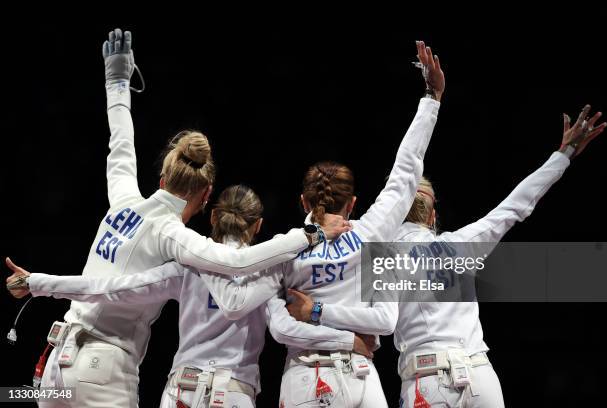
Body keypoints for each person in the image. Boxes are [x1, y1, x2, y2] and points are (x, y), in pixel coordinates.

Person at [5, 28, 349, 408]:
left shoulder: (123, 200)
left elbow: (119, 144)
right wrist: (310, 233)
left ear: (163, 179)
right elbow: (237, 264)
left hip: (55, 364)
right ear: (205, 197)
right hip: (102, 372)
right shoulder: (173, 237)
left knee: (12, 397)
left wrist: (116, 80)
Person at [7, 185, 373, 408]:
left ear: (213, 217)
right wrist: (346, 338)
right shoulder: (271, 270)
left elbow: (110, 288)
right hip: (234, 393)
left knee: (15, 394)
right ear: (258, 226)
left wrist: (40, 282)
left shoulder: (186, 267)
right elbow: (284, 330)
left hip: (160, 388)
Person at [392, 104, 606, 407]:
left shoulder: (378, 257)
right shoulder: (462, 244)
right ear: (433, 216)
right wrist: (564, 154)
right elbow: (515, 205)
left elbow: (374, 324)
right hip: (481, 378)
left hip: (428, 379)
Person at [275, 40, 443, 408]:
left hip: (305, 376)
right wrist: (431, 98)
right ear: (353, 203)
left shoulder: (281, 249)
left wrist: (316, 313)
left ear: (302, 201)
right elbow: (405, 173)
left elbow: (279, 325)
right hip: (361, 380)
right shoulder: (370, 234)